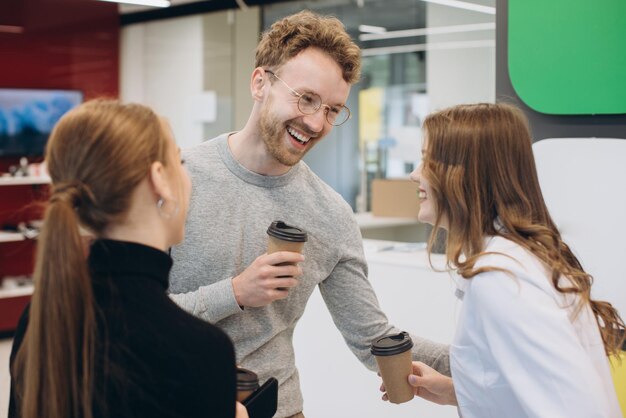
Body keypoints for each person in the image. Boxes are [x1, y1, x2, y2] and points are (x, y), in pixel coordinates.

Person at [168, 10, 450, 418]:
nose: (316, 122)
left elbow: (373, 338)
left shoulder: (330, 213)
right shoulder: (176, 178)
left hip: (277, 409)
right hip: (171, 402)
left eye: (333, 110)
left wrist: (482, 363)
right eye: (306, 99)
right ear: (259, 83)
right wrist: (234, 293)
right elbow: (127, 313)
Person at [8, 99, 247, 418]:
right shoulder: (201, 350)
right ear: (159, 178)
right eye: (181, 163)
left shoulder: (40, 318)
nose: (187, 180)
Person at [387, 102, 625, 417]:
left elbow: (577, 408)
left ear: (467, 175)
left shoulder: (500, 279)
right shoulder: (514, 259)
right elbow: (527, 387)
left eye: (428, 160)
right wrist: (455, 392)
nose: (415, 174)